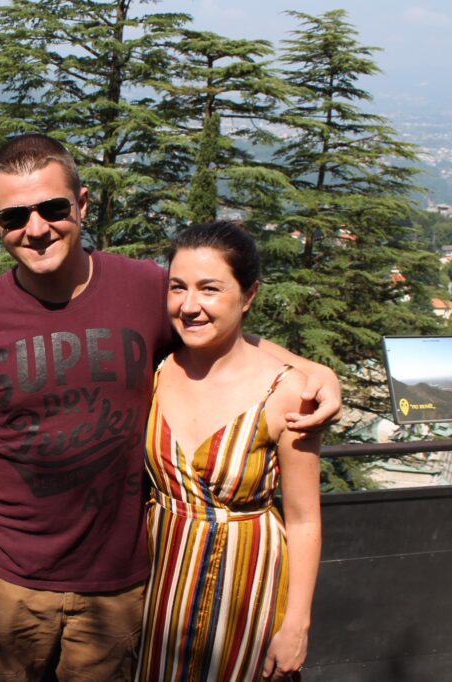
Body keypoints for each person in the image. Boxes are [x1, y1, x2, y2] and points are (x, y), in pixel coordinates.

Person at [0, 134, 336, 681]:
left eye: (53, 208)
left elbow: (220, 329)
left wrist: (313, 372)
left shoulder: (147, 287)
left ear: (83, 204)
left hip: (120, 586)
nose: (37, 228)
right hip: (9, 582)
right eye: (15, 216)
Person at [136, 222, 322, 682]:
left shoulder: (286, 392)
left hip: (247, 591)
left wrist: (296, 623)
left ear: (248, 295)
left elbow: (304, 519)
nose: (189, 305)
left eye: (210, 289)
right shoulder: (156, 370)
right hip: (157, 587)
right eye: (177, 287)